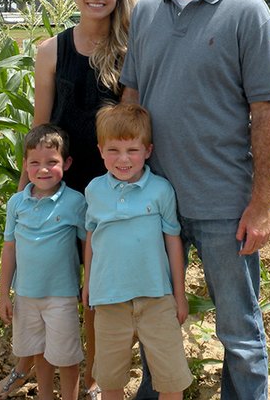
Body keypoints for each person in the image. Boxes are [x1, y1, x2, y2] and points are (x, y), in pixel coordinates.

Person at [121, 0, 270, 400]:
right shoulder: (146, 12)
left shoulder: (247, 11)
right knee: (156, 318)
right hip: (155, 202)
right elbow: (132, 98)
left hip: (223, 205)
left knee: (239, 333)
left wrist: (261, 205)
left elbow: (268, 111)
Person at [0, 0, 138, 400]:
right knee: (42, 280)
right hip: (59, 180)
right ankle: (25, 368)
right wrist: (25, 188)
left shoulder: (129, 49)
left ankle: (92, 379)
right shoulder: (50, 50)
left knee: (94, 287)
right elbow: (42, 127)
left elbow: (129, 122)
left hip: (108, 184)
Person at [82, 103, 192, 400]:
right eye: (114, 150)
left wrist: (178, 296)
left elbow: (173, 242)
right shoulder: (94, 191)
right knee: (110, 379)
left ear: (148, 151)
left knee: (171, 379)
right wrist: (88, 282)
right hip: (109, 299)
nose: (123, 159)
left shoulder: (160, 190)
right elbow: (92, 238)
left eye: (132, 150)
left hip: (156, 299)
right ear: (100, 151)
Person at [0, 124, 86, 400]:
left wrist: (89, 284)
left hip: (61, 295)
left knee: (67, 358)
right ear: (24, 165)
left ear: (67, 163)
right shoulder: (16, 203)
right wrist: (4, 294)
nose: (43, 169)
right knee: (41, 353)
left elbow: (89, 245)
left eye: (52, 162)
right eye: (34, 163)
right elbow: (9, 248)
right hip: (26, 294)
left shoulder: (76, 202)